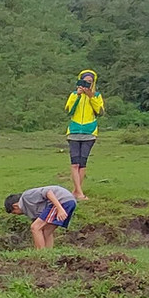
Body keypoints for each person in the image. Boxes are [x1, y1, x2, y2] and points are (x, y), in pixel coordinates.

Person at [65, 69, 104, 201]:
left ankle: (76, 191)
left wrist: (91, 96)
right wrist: (78, 95)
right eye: (84, 82)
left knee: (82, 163)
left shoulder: (96, 96)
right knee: (74, 163)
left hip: (89, 132)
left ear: (93, 83)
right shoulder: (74, 94)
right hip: (74, 132)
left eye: (89, 82)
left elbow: (100, 111)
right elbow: (69, 110)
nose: (87, 84)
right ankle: (79, 193)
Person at [4, 185, 78, 249]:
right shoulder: (29, 209)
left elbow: (48, 192)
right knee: (47, 231)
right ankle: (48, 253)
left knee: (35, 227)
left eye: (14, 212)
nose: (17, 214)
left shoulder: (26, 196)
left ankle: (40, 253)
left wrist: (60, 208)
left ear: (15, 206)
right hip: (70, 201)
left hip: (61, 200)